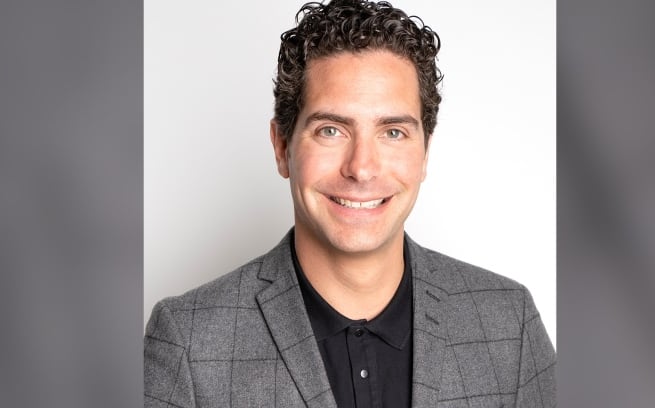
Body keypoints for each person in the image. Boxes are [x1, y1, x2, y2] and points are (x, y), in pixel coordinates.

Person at [144, 0, 555, 407]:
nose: (362, 168)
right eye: (331, 130)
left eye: (393, 132)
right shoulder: (188, 341)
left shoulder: (509, 323)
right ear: (282, 145)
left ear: (425, 151)